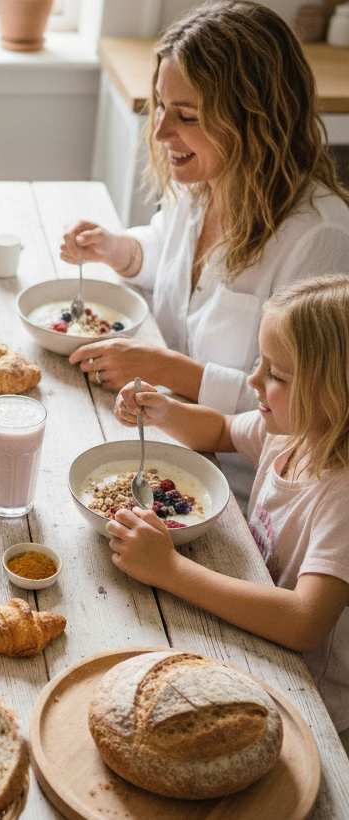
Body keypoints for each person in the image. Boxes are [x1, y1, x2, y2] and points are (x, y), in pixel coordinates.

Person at [59, 0, 349, 508]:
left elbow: (304, 405)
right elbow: (167, 255)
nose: (161, 131)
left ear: (255, 120)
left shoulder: (319, 240)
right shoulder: (203, 184)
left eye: (187, 115)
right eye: (160, 106)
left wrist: (171, 369)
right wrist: (118, 249)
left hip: (239, 495)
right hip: (161, 436)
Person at [111, 274, 349, 747]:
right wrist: (163, 410)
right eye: (261, 363)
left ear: (335, 393)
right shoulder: (294, 433)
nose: (253, 379)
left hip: (311, 699)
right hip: (254, 632)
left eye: (276, 375)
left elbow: (305, 622)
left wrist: (171, 570)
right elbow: (219, 430)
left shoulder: (340, 494)